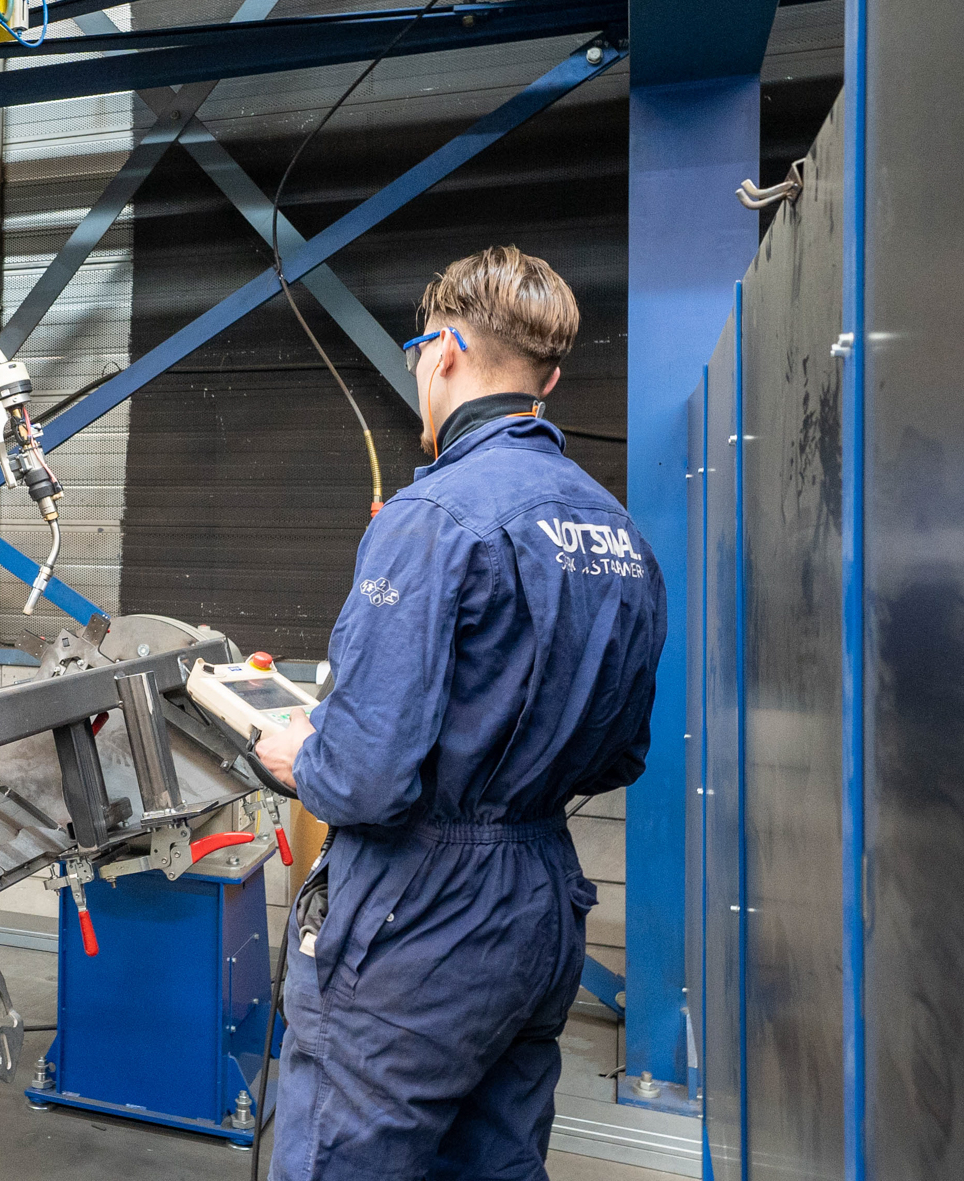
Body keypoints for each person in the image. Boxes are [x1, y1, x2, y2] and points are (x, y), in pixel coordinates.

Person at [254, 245, 666, 1181]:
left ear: (441, 351)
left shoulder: (432, 517)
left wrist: (295, 754)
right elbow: (621, 750)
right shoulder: (619, 532)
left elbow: (364, 778)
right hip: (542, 906)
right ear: (547, 380)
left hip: (419, 920)